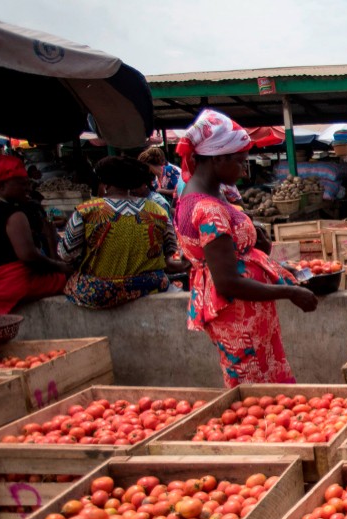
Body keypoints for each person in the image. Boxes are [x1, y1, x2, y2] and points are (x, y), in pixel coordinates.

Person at [174, 110, 318, 387]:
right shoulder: (207, 209)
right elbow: (227, 282)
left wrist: (259, 249)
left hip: (249, 313)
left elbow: (229, 254)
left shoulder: (207, 194)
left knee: (266, 383)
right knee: (253, 391)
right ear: (218, 158)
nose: (244, 169)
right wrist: (290, 292)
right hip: (237, 315)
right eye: (240, 162)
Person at [58, 157, 186, 309]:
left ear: (104, 184)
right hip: (149, 285)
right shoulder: (157, 211)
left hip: (99, 290)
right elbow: (169, 254)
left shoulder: (86, 211)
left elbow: (66, 255)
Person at [0, 154, 68, 314]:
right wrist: (58, 266)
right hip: (13, 284)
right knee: (72, 280)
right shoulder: (14, 213)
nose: (26, 188)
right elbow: (27, 254)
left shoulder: (31, 208)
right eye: (21, 184)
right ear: (1, 185)